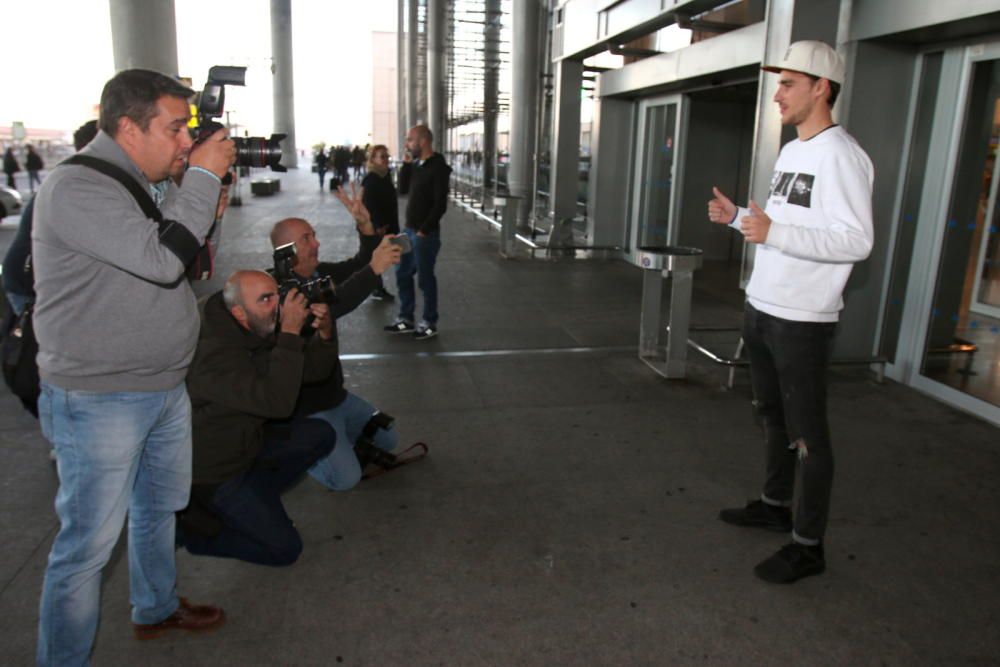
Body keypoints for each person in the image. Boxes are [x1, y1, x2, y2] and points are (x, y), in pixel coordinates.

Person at [31, 69, 235, 665]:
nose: (183, 142)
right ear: (127, 125)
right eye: (175, 128)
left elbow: (180, 259)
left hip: (162, 387)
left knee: (157, 509)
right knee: (86, 551)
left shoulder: (134, 183)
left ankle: (155, 606)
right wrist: (201, 177)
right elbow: (159, 260)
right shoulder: (78, 188)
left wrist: (198, 201)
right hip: (101, 400)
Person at [708, 41, 874, 584]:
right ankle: (774, 506)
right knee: (771, 416)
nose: (776, 94)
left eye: (788, 83)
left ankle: (808, 546)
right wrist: (739, 221)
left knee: (808, 436)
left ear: (821, 87)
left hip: (803, 318)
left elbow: (856, 241)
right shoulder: (791, 151)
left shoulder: (841, 154)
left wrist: (775, 231)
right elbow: (781, 231)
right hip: (763, 305)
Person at [178, 271, 338, 565]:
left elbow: (313, 371)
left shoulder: (252, 326)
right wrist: (290, 334)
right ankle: (195, 535)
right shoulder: (214, 357)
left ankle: (256, 501)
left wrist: (325, 333)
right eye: (266, 299)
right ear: (238, 312)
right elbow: (278, 404)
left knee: (320, 434)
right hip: (214, 474)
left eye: (277, 294)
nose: (278, 306)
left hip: (248, 446)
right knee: (285, 551)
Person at [269, 191, 404, 490]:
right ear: (286, 250)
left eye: (314, 236)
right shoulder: (277, 295)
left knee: (390, 439)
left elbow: (357, 265)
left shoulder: (319, 275)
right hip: (306, 410)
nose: (316, 243)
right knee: (346, 479)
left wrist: (366, 228)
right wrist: (374, 270)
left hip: (335, 397)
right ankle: (299, 448)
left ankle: (337, 438)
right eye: (307, 239)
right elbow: (333, 304)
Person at [3, 122, 98, 319]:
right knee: (37, 344)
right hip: (27, 284)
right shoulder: (72, 184)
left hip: (28, 280)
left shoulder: (78, 177)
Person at [384, 125, 452, 340]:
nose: (407, 144)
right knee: (402, 273)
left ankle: (430, 322)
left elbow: (440, 204)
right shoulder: (416, 165)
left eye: (410, 140)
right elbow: (402, 189)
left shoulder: (438, 168)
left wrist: (425, 229)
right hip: (407, 230)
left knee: (425, 278)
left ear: (423, 141)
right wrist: (406, 165)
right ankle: (406, 318)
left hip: (425, 234)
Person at [362, 143, 399, 301]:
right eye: (382, 156)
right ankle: (376, 288)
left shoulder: (385, 176)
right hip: (378, 227)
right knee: (376, 257)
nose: (385, 159)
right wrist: (377, 225)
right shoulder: (371, 179)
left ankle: (376, 287)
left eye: (386, 156)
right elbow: (369, 205)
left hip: (388, 224)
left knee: (388, 255)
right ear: (373, 159)